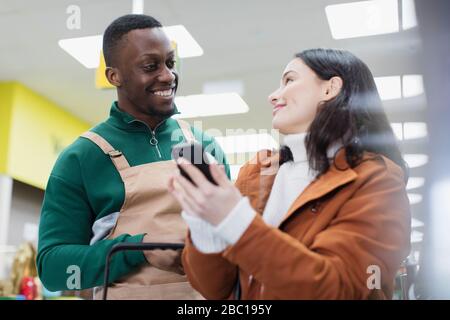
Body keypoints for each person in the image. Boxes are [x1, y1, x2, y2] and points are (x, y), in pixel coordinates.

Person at [170, 48, 411, 299]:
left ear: (330, 89)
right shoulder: (259, 172)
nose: (273, 96)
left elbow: (338, 288)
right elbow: (214, 289)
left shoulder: (376, 180)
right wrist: (205, 225)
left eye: (289, 80)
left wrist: (235, 220)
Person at [37, 14, 229, 300]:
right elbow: (53, 268)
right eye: (150, 66)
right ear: (113, 76)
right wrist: (140, 249)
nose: (167, 75)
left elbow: (236, 235)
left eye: (170, 63)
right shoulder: (82, 158)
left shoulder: (204, 147)